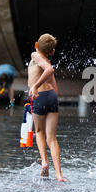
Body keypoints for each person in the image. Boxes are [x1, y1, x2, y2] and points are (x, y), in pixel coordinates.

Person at [28, 34, 67, 182]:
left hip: (39, 97)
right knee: (52, 138)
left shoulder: (35, 55)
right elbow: (55, 87)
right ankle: (59, 174)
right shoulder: (46, 59)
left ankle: (44, 162)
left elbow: (49, 70)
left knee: (39, 131)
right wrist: (54, 99)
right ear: (52, 52)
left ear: (36, 45)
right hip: (51, 97)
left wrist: (35, 86)